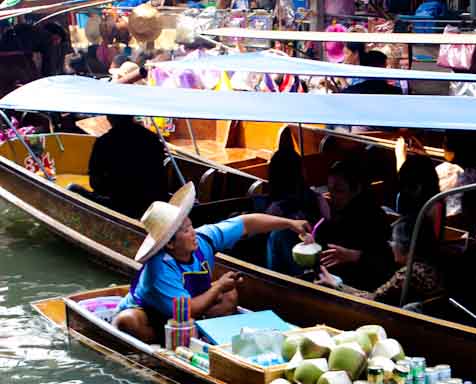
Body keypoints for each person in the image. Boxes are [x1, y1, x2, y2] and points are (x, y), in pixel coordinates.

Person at [113, 183, 311, 343]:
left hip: (188, 311)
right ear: (170, 244)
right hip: (154, 315)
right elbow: (187, 309)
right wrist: (217, 288)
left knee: (229, 296)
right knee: (128, 322)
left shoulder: (203, 239)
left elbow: (246, 223)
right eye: (185, 231)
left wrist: (288, 223)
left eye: (191, 226)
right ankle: (164, 344)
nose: (193, 233)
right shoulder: (160, 269)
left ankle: (199, 333)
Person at [317, 217, 443, 306]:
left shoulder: (409, 273)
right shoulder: (434, 264)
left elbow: (370, 300)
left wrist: (336, 284)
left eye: (393, 241)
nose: (391, 245)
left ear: (407, 247)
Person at [312, 158, 394, 290]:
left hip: (360, 291)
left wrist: (354, 256)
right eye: (330, 189)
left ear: (356, 189)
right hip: (328, 283)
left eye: (339, 191)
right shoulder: (330, 213)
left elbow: (384, 264)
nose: (332, 196)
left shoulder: (374, 218)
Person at [84, 114, 168, 218]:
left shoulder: (103, 142)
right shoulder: (152, 138)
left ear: (109, 119)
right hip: (153, 206)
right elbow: (161, 176)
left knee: (74, 188)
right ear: (132, 116)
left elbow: (95, 183)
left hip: (119, 207)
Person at [265, 134, 323, 275]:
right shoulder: (317, 199)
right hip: (315, 268)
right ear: (301, 173)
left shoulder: (273, 211)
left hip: (286, 276)